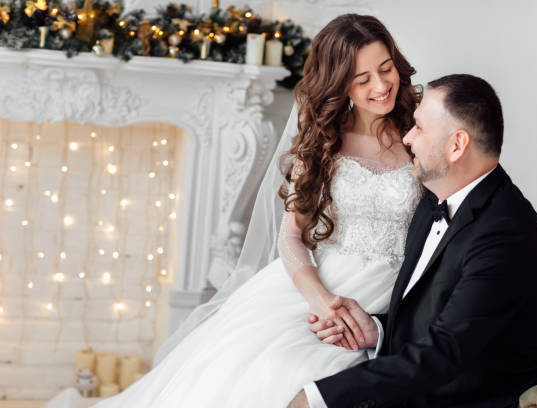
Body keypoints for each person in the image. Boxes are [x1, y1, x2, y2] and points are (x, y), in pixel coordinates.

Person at [43, 14, 422, 408]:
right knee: (262, 372)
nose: (381, 86)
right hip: (314, 292)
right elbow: (291, 236)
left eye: (386, 69)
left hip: (392, 292)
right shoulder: (324, 141)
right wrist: (321, 301)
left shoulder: (421, 128)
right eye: (363, 80)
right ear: (340, 83)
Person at [289, 74, 537, 408]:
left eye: (419, 127)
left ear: (456, 145)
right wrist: (375, 329)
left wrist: (319, 397)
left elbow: (445, 353)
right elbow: (436, 318)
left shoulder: (505, 233)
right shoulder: (434, 202)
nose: (407, 138)